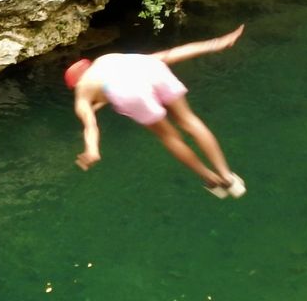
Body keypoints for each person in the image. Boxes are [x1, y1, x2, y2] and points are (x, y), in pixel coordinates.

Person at [64, 25, 246, 197]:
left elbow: (90, 126)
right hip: (150, 69)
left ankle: (210, 179)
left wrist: (92, 149)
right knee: (190, 121)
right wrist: (215, 43)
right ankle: (227, 177)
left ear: (74, 85)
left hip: (127, 92)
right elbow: (169, 55)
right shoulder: (107, 60)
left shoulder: (82, 93)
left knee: (170, 137)